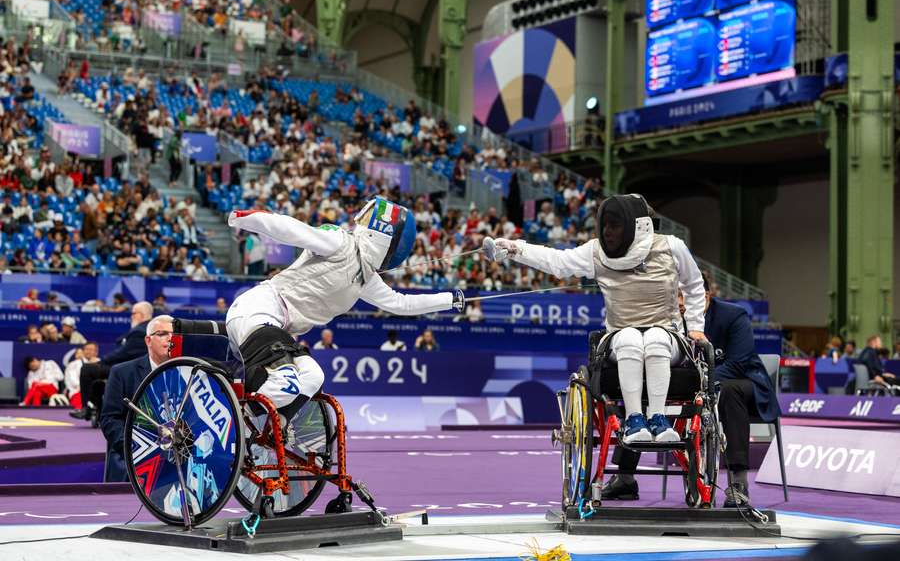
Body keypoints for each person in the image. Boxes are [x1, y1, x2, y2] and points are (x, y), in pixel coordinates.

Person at [485, 193, 706, 445]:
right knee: (630, 337)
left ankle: (658, 417)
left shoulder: (671, 246)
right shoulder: (596, 251)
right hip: (619, 338)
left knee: (655, 337)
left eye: (615, 225)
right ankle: (634, 420)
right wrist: (515, 248)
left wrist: (696, 327)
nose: (608, 232)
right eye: (605, 225)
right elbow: (558, 262)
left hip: (668, 337)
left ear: (636, 225)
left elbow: (695, 284)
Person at [225, 198, 465, 423]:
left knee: (313, 378)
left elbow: (401, 304)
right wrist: (244, 218)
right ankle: (238, 422)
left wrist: (451, 299)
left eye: (366, 215)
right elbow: (290, 229)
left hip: (273, 334)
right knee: (286, 383)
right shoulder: (340, 243)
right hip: (257, 311)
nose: (358, 219)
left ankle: (268, 429)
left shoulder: (366, 279)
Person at [601, 273, 779, 507]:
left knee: (728, 391)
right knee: (643, 389)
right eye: (676, 296)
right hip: (694, 382)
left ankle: (738, 483)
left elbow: (739, 362)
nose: (680, 302)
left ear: (704, 296)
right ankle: (625, 477)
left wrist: (701, 379)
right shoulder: (670, 320)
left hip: (740, 381)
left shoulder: (733, 315)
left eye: (684, 295)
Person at [100, 315, 174, 482]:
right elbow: (110, 419)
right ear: (148, 340)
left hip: (178, 465)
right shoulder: (122, 373)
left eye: (174, 335)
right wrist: (135, 449)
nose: (170, 338)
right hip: (133, 462)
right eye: (162, 334)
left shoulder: (190, 373)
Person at [70, 301, 153, 425]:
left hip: (131, 369)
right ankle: (97, 407)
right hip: (129, 366)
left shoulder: (140, 331)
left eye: (133, 313)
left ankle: (86, 408)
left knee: (88, 369)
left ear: (141, 315)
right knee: (97, 378)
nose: (131, 316)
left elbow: (123, 353)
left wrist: (100, 360)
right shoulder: (144, 329)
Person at [64, 342, 100, 409]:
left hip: (98, 393)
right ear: (83, 351)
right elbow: (73, 381)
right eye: (87, 349)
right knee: (80, 407)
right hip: (78, 392)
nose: (88, 352)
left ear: (96, 352)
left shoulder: (101, 363)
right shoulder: (74, 364)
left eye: (91, 349)